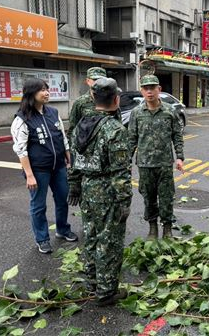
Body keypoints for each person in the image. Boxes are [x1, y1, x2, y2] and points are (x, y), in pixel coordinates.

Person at [68, 77, 132, 306]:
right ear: (116, 99)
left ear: (93, 97)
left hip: (87, 189)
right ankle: (106, 292)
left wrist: (74, 185)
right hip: (107, 193)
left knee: (91, 236)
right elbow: (121, 172)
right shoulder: (114, 130)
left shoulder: (81, 126)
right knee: (110, 241)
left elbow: (74, 161)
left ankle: (92, 281)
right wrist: (125, 200)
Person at [11, 78, 78, 254]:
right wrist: (30, 175)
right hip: (38, 170)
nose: (46, 92)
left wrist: (68, 158)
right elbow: (21, 150)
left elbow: (62, 138)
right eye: (41, 90)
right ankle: (42, 238)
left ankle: (63, 229)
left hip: (59, 167)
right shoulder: (22, 119)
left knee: (62, 198)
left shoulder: (53, 113)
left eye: (47, 89)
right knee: (38, 205)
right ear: (30, 94)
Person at [128, 74, 184, 239]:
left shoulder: (169, 111)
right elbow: (132, 139)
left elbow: (177, 136)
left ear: (159, 89)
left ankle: (167, 228)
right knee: (149, 198)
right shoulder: (137, 112)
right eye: (146, 88)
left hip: (164, 163)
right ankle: (152, 228)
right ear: (142, 91)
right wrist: (126, 162)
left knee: (166, 197)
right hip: (145, 165)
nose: (149, 91)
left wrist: (180, 157)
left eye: (153, 88)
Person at [67, 67, 107, 141]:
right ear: (88, 81)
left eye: (101, 80)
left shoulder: (110, 100)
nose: (98, 82)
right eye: (95, 80)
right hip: (87, 147)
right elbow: (73, 127)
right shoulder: (80, 102)